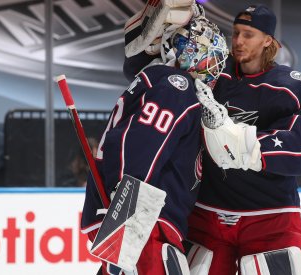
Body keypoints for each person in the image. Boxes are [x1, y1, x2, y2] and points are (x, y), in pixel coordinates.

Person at [80, 9, 229, 275]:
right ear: (192, 53)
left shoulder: (161, 81)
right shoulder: (177, 86)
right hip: (145, 220)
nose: (214, 68)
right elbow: (142, 143)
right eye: (211, 58)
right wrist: (126, 204)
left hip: (142, 219)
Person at [187, 4, 301, 274]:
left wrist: (239, 142)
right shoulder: (213, 76)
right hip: (207, 215)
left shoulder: (292, 87)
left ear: (268, 41)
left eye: (248, 34)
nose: (238, 41)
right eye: (236, 33)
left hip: (270, 219)